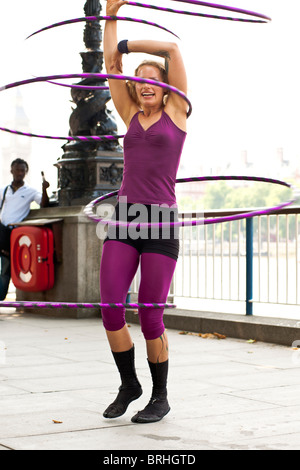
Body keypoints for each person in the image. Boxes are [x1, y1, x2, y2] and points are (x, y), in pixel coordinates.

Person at [100, 0, 188, 423]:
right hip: (124, 216)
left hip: (161, 220)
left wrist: (135, 44)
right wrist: (111, 16)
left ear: (166, 88)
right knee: (110, 307)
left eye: (153, 81)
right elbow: (109, 62)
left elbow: (171, 49)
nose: (145, 85)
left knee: (150, 313)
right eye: (139, 82)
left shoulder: (178, 112)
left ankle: (160, 395)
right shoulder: (129, 112)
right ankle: (129, 384)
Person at [0, 158, 50, 300]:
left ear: (26, 172)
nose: (19, 173)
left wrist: (44, 189)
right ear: (11, 171)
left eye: (22, 170)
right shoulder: (3, 190)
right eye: (17, 170)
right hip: (1, 231)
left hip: (14, 234)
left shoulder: (30, 191)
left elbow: (44, 204)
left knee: (6, 269)